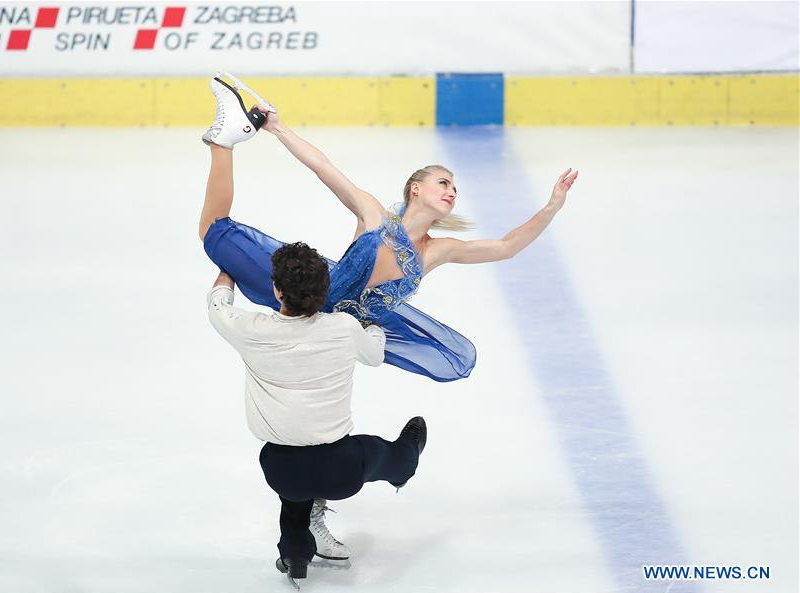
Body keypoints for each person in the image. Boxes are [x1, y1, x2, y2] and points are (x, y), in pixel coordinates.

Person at [198, 71, 579, 383]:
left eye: (455, 188)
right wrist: (278, 129)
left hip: (331, 339)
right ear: (416, 189)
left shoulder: (436, 251)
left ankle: (226, 140)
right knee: (214, 233)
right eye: (443, 183)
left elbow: (506, 247)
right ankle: (226, 140)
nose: (452, 192)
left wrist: (551, 207)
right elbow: (323, 167)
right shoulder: (374, 215)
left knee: (215, 237)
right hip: (303, 300)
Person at [206, 241, 428, 588]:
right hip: (340, 469)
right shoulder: (342, 327)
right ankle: (406, 464)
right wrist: (371, 329)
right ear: (325, 290)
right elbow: (374, 355)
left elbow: (218, 304)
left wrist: (228, 264)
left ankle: (295, 552)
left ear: (276, 290)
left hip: (280, 469)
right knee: (382, 453)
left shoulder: (249, 329)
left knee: (296, 489)